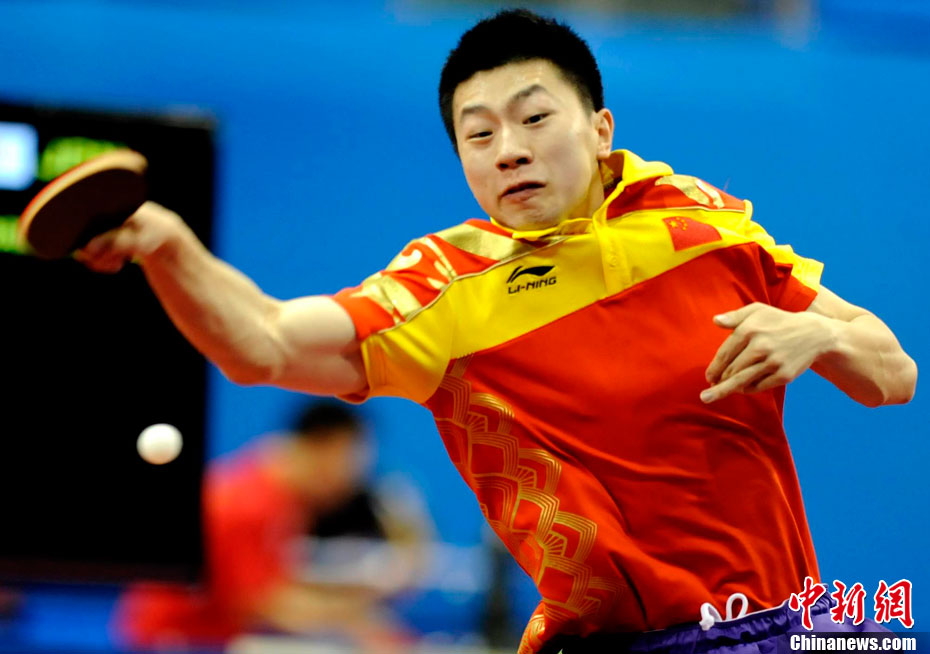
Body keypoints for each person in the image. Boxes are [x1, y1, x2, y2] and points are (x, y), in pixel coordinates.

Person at [79, 9, 916, 654]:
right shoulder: (446, 288)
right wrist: (169, 247)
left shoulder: (703, 225)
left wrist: (821, 337)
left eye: (533, 118)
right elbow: (262, 340)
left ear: (601, 129)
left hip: (789, 624)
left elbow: (894, 373)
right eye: (478, 135)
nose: (507, 150)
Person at [114, 401, 414, 651]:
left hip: (211, 637)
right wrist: (355, 619)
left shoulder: (284, 498)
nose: (353, 479)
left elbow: (273, 583)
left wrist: (356, 604)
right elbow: (260, 604)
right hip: (175, 641)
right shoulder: (249, 505)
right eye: (351, 461)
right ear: (327, 446)